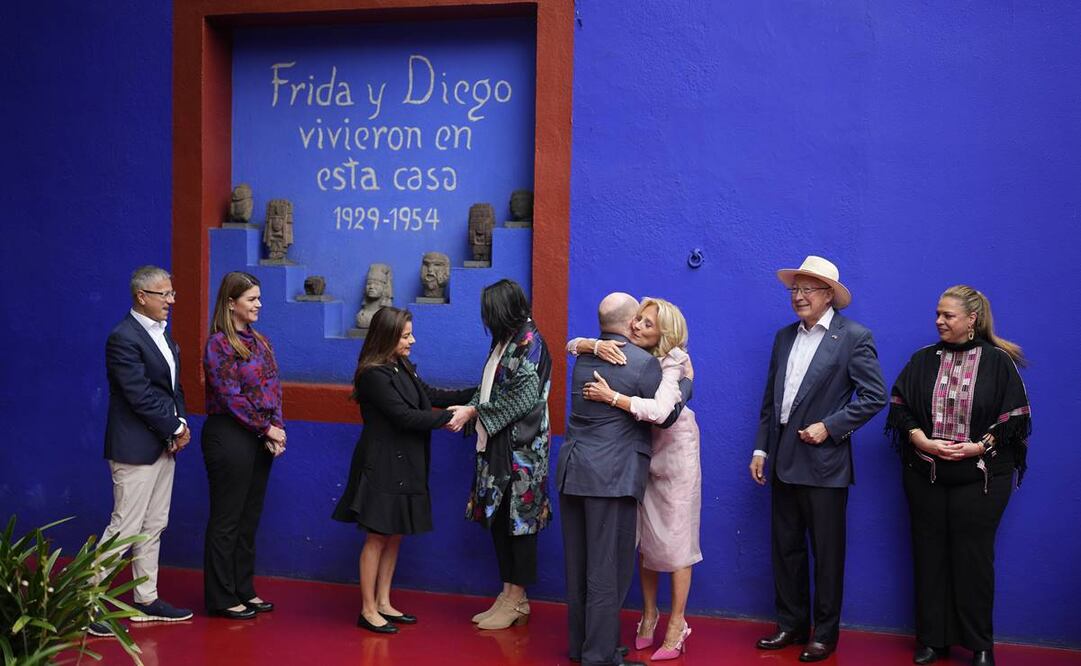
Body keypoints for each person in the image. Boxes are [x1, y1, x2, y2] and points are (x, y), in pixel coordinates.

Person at [749, 255, 886, 662]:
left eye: (808, 289)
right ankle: (790, 625)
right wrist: (761, 449)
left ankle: (824, 634)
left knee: (827, 555)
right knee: (785, 549)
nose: (798, 296)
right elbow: (770, 403)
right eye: (795, 288)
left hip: (825, 465)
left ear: (829, 295)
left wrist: (830, 426)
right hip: (782, 462)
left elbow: (875, 396)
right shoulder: (783, 337)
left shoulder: (853, 337)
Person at [886, 286, 1030, 666]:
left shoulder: (998, 362)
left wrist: (978, 448)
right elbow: (899, 407)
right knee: (928, 555)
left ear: (972, 321)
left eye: (948, 315)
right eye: (937, 313)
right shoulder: (922, 360)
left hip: (981, 478)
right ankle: (933, 640)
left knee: (973, 559)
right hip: (926, 474)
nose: (939, 321)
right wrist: (923, 441)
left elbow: (1015, 419)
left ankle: (980, 645)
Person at [556, 292, 685, 666]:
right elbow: (665, 415)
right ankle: (600, 656)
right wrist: (685, 383)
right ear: (630, 323)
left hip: (574, 470)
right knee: (607, 569)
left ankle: (585, 647)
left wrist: (588, 342)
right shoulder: (644, 365)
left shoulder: (583, 356)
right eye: (639, 320)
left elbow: (576, 344)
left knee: (579, 565)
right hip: (611, 478)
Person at [332, 307, 475, 634]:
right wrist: (454, 418)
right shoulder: (372, 375)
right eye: (406, 335)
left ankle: (384, 601)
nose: (412, 340)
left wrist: (476, 394)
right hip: (382, 464)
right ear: (387, 338)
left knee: (394, 534)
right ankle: (368, 609)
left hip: (406, 462)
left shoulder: (401, 366)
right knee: (377, 535)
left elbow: (430, 396)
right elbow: (403, 416)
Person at [90, 265, 194, 637]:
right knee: (125, 527)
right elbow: (138, 394)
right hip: (134, 448)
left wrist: (178, 425)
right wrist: (174, 426)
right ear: (141, 297)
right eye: (164, 294)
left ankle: (146, 600)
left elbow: (171, 389)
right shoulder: (123, 337)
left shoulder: (163, 335)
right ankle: (84, 602)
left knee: (154, 525)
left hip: (163, 445)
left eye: (172, 293)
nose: (171, 301)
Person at [445, 279, 552, 630]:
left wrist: (473, 413)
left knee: (518, 526)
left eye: (490, 313)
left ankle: (518, 598)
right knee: (502, 524)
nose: (486, 320)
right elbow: (489, 388)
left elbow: (521, 399)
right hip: (500, 449)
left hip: (521, 455)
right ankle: (507, 595)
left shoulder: (530, 342)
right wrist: (471, 404)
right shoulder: (505, 340)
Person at [202, 271, 284, 620]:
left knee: (249, 518)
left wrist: (276, 428)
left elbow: (273, 387)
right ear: (231, 302)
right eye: (252, 299)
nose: (258, 305)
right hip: (229, 434)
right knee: (227, 519)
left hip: (260, 436)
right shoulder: (219, 344)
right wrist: (267, 427)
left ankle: (243, 589)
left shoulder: (261, 341)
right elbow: (230, 397)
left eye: (259, 298)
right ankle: (222, 597)